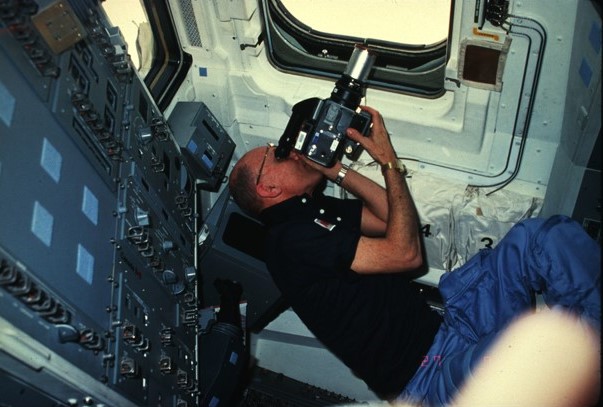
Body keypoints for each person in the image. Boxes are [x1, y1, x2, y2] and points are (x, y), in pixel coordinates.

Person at [228, 105, 601, 404]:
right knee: (536, 352)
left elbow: (392, 216)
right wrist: (387, 159)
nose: (291, 152)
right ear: (267, 186)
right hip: (431, 379)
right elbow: (405, 254)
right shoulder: (287, 240)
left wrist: (339, 171)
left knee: (541, 238)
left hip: (453, 330)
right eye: (278, 154)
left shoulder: (311, 212)